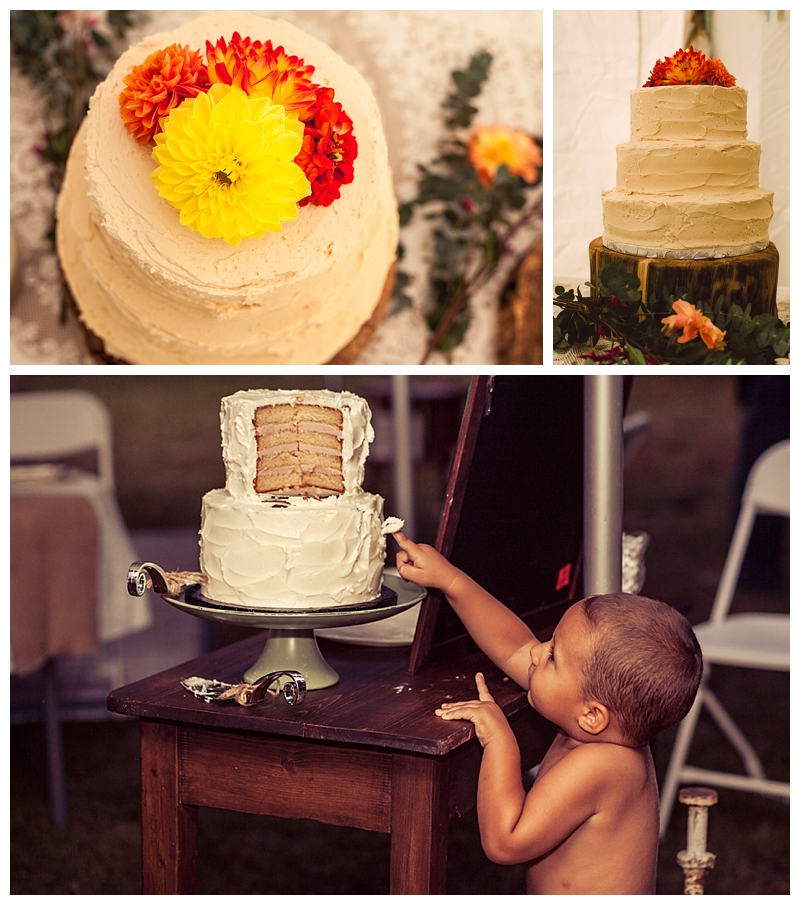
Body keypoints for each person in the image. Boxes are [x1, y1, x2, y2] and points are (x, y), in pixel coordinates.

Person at [394, 532, 702, 895]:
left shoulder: (604, 765)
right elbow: (516, 647)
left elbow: (505, 842)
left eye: (554, 656)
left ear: (593, 715)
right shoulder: (597, 720)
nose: (538, 653)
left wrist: (500, 741)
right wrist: (451, 581)